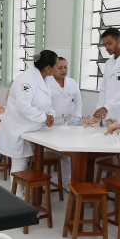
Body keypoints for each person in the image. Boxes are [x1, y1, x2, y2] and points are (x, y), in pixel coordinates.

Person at [0, 50, 57, 198]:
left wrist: (51, 115)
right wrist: (44, 117)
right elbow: (24, 107)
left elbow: (48, 102)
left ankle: (21, 195)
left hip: (31, 128)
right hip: (18, 128)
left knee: (24, 162)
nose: (57, 68)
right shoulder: (26, 80)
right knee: (19, 164)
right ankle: (16, 197)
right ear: (48, 67)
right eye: (56, 65)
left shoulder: (45, 79)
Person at [45, 57, 82, 188]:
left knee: (68, 155)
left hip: (70, 124)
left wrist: (77, 117)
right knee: (47, 155)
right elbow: (44, 102)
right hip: (52, 125)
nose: (63, 70)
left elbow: (78, 101)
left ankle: (67, 183)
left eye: (65, 67)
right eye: (60, 67)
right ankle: (44, 182)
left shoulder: (72, 82)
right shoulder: (46, 82)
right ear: (53, 68)